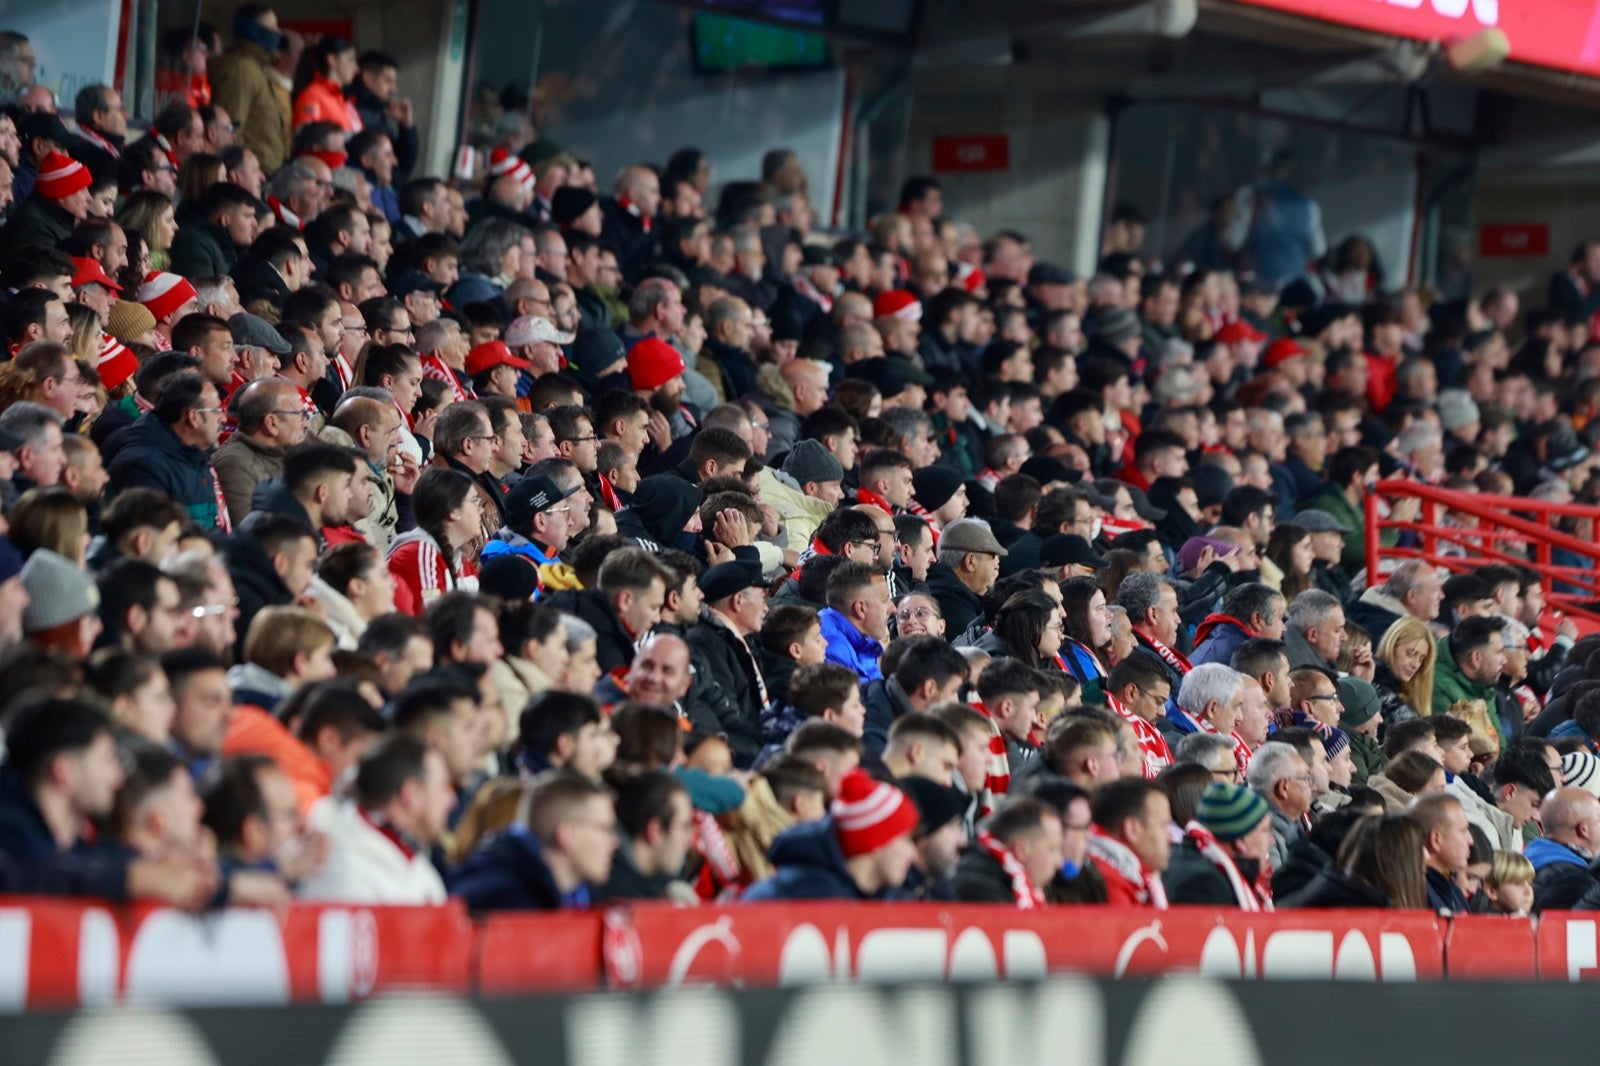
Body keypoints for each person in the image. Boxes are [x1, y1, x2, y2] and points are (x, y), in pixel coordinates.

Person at [296, 735, 454, 904]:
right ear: (411, 794)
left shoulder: (417, 867)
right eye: (443, 788)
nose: (451, 801)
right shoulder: (343, 869)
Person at [449, 770, 618, 910]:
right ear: (567, 835)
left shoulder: (585, 897)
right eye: (605, 829)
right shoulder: (505, 904)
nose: (614, 841)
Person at [743, 768, 919, 901]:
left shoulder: (873, 897)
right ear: (874, 842)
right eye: (905, 840)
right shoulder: (802, 900)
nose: (912, 854)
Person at [1163, 782, 1276, 909]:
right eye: (1265, 830)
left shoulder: (1184, 857)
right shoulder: (1204, 887)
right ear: (1240, 840)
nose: (1272, 840)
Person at [951, 796, 1062, 908]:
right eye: (1052, 849)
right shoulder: (985, 894)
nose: (1059, 863)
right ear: (1021, 850)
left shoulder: (1005, 884)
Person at [1085, 777, 1172, 907]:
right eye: (1163, 825)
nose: (1170, 837)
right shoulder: (1108, 883)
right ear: (1132, 829)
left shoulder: (1136, 877)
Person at [1414, 791, 1474, 913]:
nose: (1471, 840)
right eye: (1463, 831)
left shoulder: (1454, 892)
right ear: (1436, 839)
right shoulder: (1416, 895)